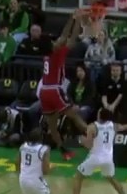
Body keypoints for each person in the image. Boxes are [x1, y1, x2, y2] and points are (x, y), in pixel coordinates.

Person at [37, 11, 90, 160]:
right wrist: (78, 21)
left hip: (44, 91)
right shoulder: (58, 53)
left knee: (52, 126)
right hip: (54, 89)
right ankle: (96, 138)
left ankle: (64, 151)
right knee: (74, 115)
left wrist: (70, 18)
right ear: (53, 46)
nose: (57, 41)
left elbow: (63, 35)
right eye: (54, 42)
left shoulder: (47, 55)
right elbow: (71, 38)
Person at [70, 107, 127, 194]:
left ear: (99, 115)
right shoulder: (113, 125)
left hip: (95, 157)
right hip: (108, 158)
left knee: (78, 177)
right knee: (112, 178)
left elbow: (89, 145)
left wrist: (81, 140)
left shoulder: (93, 127)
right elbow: (124, 127)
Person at [10, 128, 55, 194]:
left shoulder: (23, 146)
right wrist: (52, 167)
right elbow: (45, 171)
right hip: (36, 179)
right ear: (41, 138)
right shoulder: (44, 149)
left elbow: (16, 163)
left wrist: (22, 174)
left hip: (23, 178)